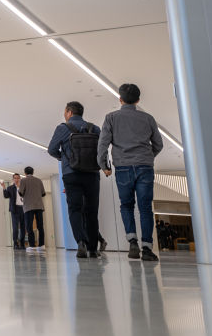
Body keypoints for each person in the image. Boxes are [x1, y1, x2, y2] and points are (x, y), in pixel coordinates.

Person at [97, 83, 164, 262]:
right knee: (145, 208)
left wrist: (104, 165)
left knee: (126, 205)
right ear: (138, 100)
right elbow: (159, 144)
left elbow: (103, 144)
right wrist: (147, 157)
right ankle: (147, 248)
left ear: (120, 99)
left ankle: (132, 241)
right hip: (145, 167)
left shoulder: (111, 118)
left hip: (123, 168)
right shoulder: (148, 118)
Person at [47, 101, 102, 258]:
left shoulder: (62, 128)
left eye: (65, 112)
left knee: (75, 209)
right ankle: (93, 248)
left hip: (71, 173)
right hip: (92, 173)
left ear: (69, 112)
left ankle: (81, 242)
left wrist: (64, 158)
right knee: (92, 211)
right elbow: (101, 150)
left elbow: (51, 149)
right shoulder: (94, 128)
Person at [17, 166, 47, 252]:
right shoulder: (39, 180)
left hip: (28, 206)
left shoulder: (23, 180)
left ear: (25, 173)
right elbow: (43, 194)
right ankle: (42, 245)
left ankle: (32, 245)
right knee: (40, 226)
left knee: (29, 226)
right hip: (39, 206)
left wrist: (20, 189)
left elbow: (21, 192)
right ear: (33, 172)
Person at [0, 175, 26, 249]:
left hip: (23, 208)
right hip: (15, 209)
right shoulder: (10, 188)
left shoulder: (23, 187)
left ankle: (22, 243)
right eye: (15, 178)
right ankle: (15, 243)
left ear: (20, 179)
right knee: (15, 227)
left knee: (23, 227)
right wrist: (4, 187)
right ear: (13, 179)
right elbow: (6, 196)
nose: (17, 179)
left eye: (18, 178)